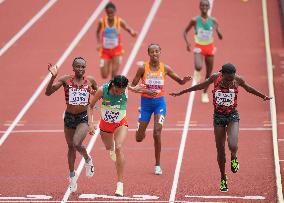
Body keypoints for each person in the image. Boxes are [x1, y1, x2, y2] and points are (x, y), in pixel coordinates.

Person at [170, 63, 272, 192]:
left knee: (233, 145)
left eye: (232, 78)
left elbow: (249, 89)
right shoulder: (215, 78)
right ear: (222, 75)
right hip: (218, 117)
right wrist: (182, 92)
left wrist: (263, 96)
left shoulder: (237, 80)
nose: (230, 81)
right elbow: (201, 85)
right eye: (228, 79)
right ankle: (223, 178)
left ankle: (234, 157)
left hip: (232, 116)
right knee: (221, 151)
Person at [130, 44, 192, 175]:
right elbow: (132, 86)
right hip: (145, 105)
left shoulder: (165, 68)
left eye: (157, 51)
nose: (154, 54)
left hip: (159, 104)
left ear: (160, 52)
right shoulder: (143, 68)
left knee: (157, 133)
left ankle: (157, 164)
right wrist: (143, 89)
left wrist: (184, 80)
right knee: (139, 138)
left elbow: (180, 81)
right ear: (148, 53)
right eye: (152, 52)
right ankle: (140, 122)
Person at [45, 57, 97, 192]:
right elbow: (48, 93)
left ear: (85, 68)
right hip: (69, 117)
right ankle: (72, 176)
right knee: (70, 147)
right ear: (73, 68)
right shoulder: (65, 80)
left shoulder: (90, 81)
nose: (80, 69)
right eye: (78, 67)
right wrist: (53, 77)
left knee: (76, 143)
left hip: (82, 117)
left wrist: (93, 117)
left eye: (83, 67)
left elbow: (98, 94)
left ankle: (87, 159)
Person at [88, 75, 143, 197]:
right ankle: (111, 149)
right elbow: (90, 106)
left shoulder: (125, 88)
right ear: (113, 86)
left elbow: (135, 88)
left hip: (120, 123)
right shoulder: (103, 90)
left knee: (119, 147)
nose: (120, 93)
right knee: (110, 147)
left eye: (122, 91)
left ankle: (120, 184)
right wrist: (91, 123)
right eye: (118, 91)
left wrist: (143, 89)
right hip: (105, 126)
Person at [183, 0, 223, 103]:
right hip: (199, 46)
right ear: (199, 7)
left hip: (209, 47)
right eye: (203, 5)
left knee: (209, 74)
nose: (204, 7)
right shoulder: (195, 20)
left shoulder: (213, 20)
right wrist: (187, 43)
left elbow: (221, 37)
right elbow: (185, 32)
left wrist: (217, 30)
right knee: (198, 66)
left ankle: (204, 93)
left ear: (209, 7)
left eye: (206, 5)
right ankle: (197, 72)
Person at [96, 2, 137, 79]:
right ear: (106, 12)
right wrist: (98, 43)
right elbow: (97, 32)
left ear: (115, 12)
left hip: (116, 51)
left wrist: (132, 32)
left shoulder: (119, 21)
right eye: (108, 13)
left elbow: (127, 28)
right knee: (104, 75)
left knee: (114, 75)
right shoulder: (102, 21)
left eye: (112, 13)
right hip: (105, 51)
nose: (110, 15)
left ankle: (110, 89)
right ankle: (108, 62)